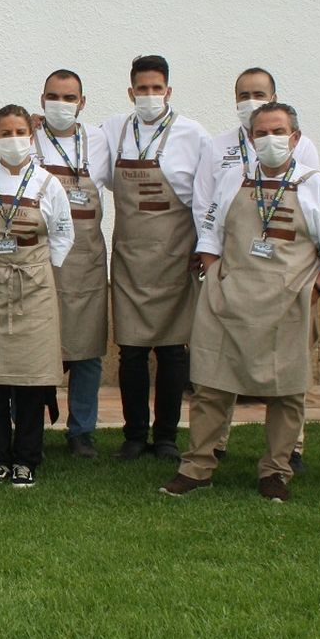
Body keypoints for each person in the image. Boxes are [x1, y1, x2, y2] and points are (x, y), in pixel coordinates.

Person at [161, 103, 320, 501]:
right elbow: (211, 233)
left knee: (286, 392)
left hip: (287, 305)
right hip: (229, 301)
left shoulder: (314, 185)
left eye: (279, 131)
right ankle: (197, 466)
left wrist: (314, 291)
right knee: (212, 386)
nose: (270, 139)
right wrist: (216, 278)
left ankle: (275, 471)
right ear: (251, 140)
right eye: (262, 133)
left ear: (296, 138)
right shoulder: (234, 178)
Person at [198, 67, 320, 472]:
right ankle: (206, 453)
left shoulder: (310, 171)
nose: (251, 100)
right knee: (219, 372)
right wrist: (216, 277)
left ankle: (286, 457)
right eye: (244, 94)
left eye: (259, 93)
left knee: (287, 377)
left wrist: (312, 291)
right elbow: (208, 218)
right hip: (235, 287)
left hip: (286, 292)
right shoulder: (225, 159)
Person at [102, 54, 208, 462]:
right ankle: (133, 434)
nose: (149, 96)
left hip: (174, 256)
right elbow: (79, 159)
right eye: (141, 89)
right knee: (130, 350)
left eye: (156, 88)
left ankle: (165, 435)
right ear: (130, 92)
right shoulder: (112, 131)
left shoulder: (193, 135)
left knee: (170, 350)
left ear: (168, 91)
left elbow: (205, 196)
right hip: (130, 257)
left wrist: (204, 245)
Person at [0, 105, 74, 486]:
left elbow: (63, 233)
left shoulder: (48, 184)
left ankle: (27, 456)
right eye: (5, 133)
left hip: (34, 290)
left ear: (31, 136)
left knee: (31, 379)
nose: (13, 140)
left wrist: (41, 268)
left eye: (20, 132)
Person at [34, 69, 111, 459]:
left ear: (82, 102)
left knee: (87, 350)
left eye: (69, 98)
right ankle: (30, 424)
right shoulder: (27, 137)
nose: (60, 104)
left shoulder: (101, 140)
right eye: (53, 96)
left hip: (87, 259)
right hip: (40, 258)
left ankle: (81, 431)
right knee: (35, 344)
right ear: (41, 99)